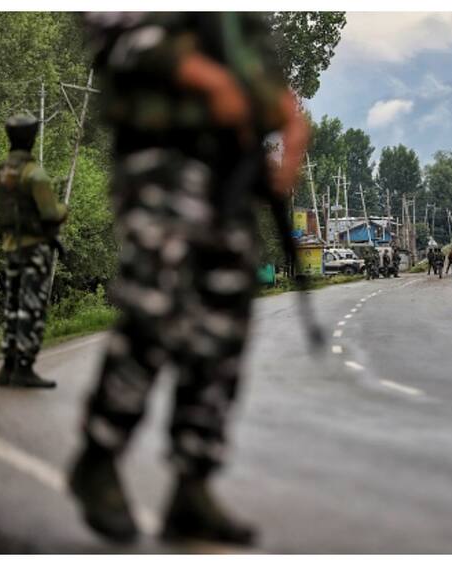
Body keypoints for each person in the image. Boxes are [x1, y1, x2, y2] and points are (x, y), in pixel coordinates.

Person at [69, 13, 309, 545]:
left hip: (230, 167)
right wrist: (205, 77)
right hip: (162, 158)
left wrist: (283, 110)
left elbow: (246, 46)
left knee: (222, 325)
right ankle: (99, 455)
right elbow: (109, 28)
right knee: (157, 305)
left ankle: (192, 483)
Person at [0, 114, 68, 388]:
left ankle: (7, 365)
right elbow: (50, 214)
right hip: (34, 247)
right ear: (32, 138)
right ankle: (24, 367)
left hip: (10, 245)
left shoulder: (1, 172)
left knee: (12, 306)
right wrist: (63, 209)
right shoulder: (35, 174)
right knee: (32, 307)